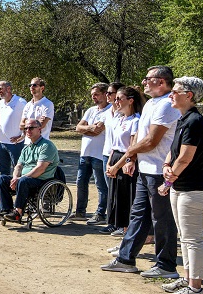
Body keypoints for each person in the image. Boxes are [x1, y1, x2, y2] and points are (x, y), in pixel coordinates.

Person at [101, 66, 181, 277]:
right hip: (145, 170)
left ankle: (166, 266)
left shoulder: (167, 104)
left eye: (148, 79)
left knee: (162, 219)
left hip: (159, 172)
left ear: (162, 82)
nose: (144, 82)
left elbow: (151, 141)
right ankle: (126, 259)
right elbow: (140, 137)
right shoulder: (151, 104)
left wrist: (127, 155)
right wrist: (131, 158)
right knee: (137, 216)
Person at [162, 76, 203, 294]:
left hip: (192, 187)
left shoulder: (194, 121)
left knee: (192, 239)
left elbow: (185, 157)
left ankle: (196, 289)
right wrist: (165, 165)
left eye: (175, 91)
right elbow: (174, 152)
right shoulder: (184, 119)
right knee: (185, 237)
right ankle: (187, 278)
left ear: (188, 95)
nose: (171, 94)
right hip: (181, 186)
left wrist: (168, 181)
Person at [0, 118, 60, 223]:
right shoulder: (26, 148)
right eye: (25, 128)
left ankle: (18, 213)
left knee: (23, 181)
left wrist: (21, 178)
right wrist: (15, 178)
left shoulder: (47, 146)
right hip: (25, 179)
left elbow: (40, 168)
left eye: (31, 128)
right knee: (2, 179)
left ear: (39, 129)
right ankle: (6, 210)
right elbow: (18, 166)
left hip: (41, 180)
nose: (28, 130)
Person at [102, 86, 143, 235]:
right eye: (116, 98)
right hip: (115, 158)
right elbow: (114, 144)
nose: (116, 101)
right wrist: (109, 164)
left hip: (126, 161)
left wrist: (117, 166)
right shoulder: (119, 119)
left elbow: (132, 147)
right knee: (116, 198)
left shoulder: (136, 120)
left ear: (130, 101)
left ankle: (127, 233)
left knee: (126, 199)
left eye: (120, 98)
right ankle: (121, 231)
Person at [73, 83, 112, 222]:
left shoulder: (110, 110)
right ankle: (80, 211)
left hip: (99, 154)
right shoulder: (90, 110)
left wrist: (87, 129)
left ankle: (101, 213)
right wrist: (89, 127)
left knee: (101, 185)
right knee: (80, 182)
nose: (93, 97)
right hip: (85, 153)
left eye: (96, 94)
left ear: (105, 94)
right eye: (92, 95)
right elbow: (78, 127)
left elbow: (97, 131)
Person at [0, 81, 27, 176]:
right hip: (2, 143)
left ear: (8, 88)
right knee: (3, 171)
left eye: (0, 89)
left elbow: (27, 120)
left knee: (18, 169)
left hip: (15, 144)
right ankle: (5, 190)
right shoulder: (1, 102)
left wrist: (22, 136)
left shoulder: (21, 102)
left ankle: (18, 190)